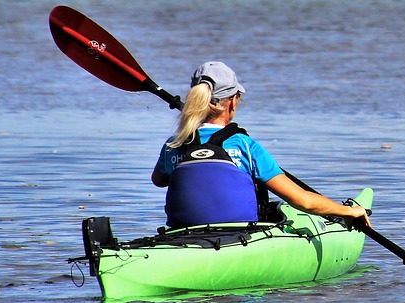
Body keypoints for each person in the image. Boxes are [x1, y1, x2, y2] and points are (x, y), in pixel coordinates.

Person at [151, 61, 370, 230]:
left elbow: (159, 180)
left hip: (183, 233)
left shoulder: (174, 143)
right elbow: (303, 201)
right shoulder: (246, 146)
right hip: (239, 237)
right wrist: (347, 211)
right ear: (234, 100)